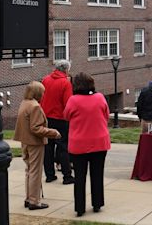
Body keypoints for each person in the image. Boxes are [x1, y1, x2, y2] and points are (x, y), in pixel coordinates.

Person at [63, 73, 111, 217]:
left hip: (79, 144)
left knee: (79, 177)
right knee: (97, 174)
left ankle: (80, 208)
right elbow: (106, 115)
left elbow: (66, 116)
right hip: (99, 142)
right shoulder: (100, 97)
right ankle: (97, 203)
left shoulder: (73, 100)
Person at [14, 81, 61, 210]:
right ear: (37, 93)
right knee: (35, 171)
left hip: (25, 141)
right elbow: (36, 128)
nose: (44, 95)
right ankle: (34, 201)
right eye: (43, 92)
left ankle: (29, 198)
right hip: (34, 143)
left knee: (29, 171)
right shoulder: (35, 106)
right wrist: (53, 133)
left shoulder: (24, 103)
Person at [40, 60, 75, 184]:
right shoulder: (65, 83)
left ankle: (50, 175)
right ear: (66, 70)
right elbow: (68, 103)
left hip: (46, 119)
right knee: (63, 147)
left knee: (48, 148)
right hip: (60, 119)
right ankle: (67, 176)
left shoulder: (45, 80)